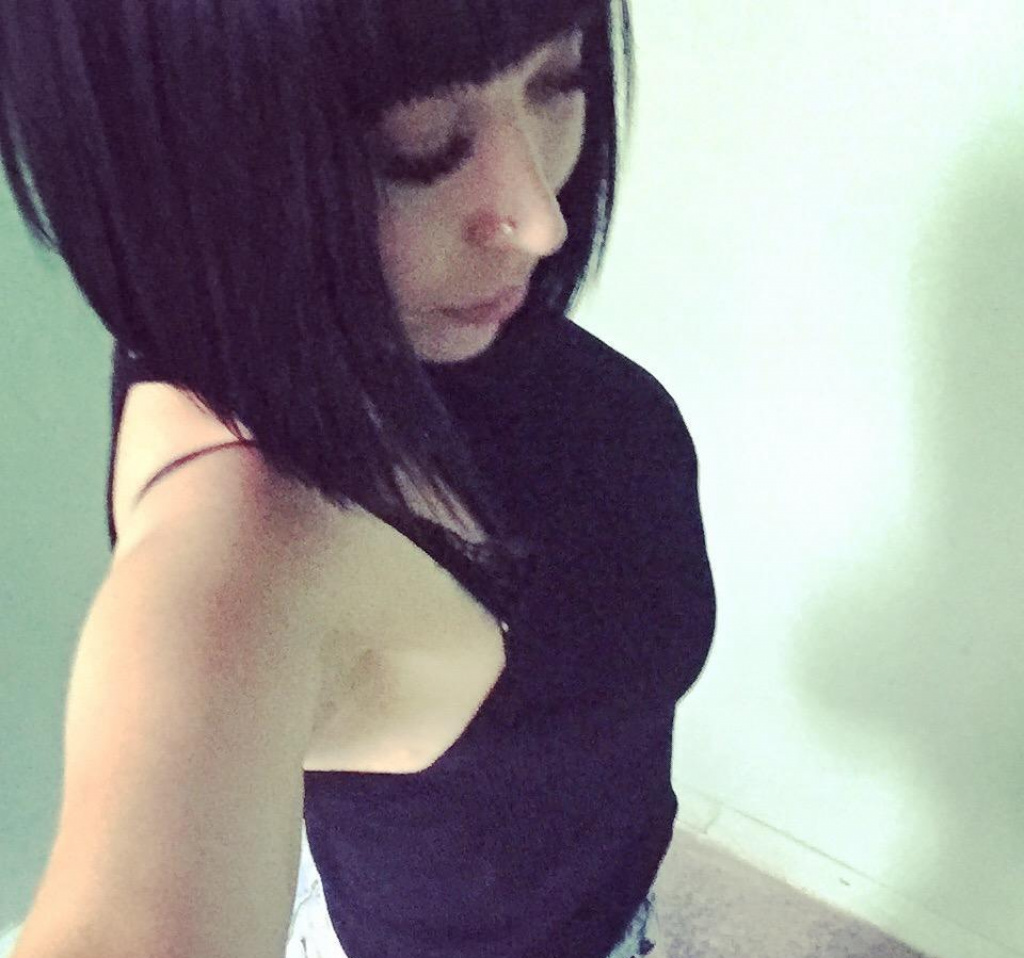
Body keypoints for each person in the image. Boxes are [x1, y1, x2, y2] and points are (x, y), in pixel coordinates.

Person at [0, 0, 716, 956]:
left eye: (558, 77)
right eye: (418, 147)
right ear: (177, 167)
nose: (540, 222)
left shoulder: (360, 321)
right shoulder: (239, 553)